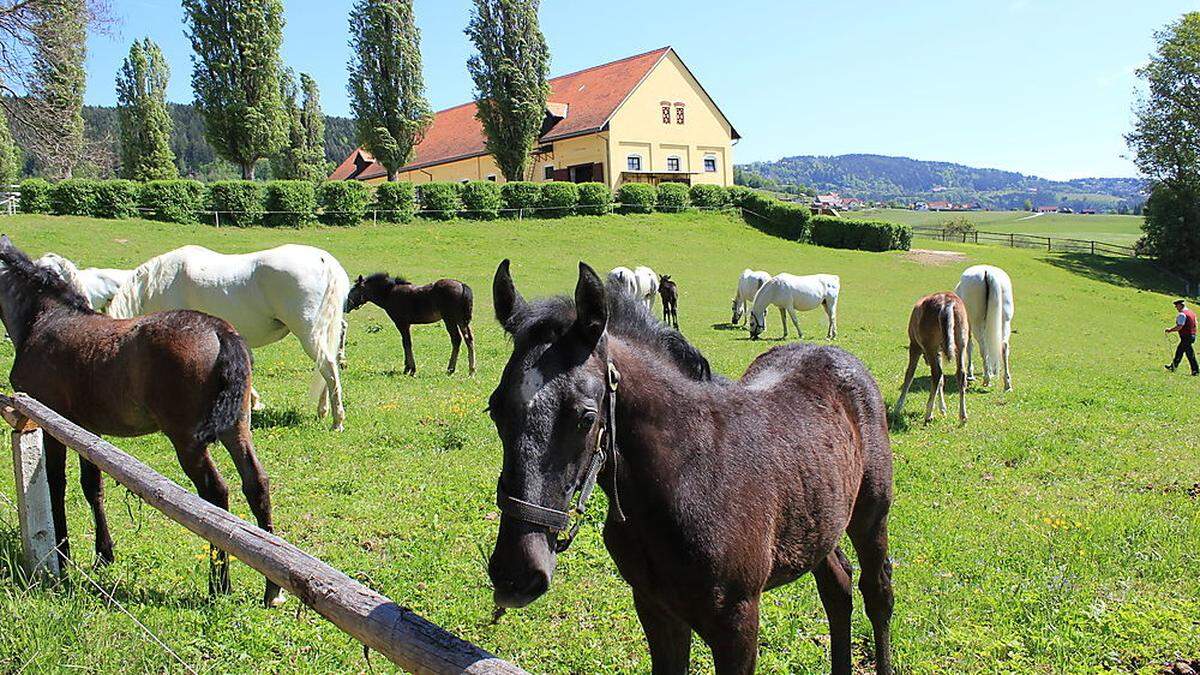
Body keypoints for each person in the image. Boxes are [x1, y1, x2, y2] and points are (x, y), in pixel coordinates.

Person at [1165, 299, 1198, 376]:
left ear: (1180, 305)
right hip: (1191, 335)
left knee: (1189, 354)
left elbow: (1179, 326)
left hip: (1186, 337)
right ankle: (1173, 367)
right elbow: (1195, 324)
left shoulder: (1182, 314)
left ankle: (1195, 371)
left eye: (1176, 306)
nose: (1176, 307)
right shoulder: (1191, 313)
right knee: (1180, 351)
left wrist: (1170, 330)